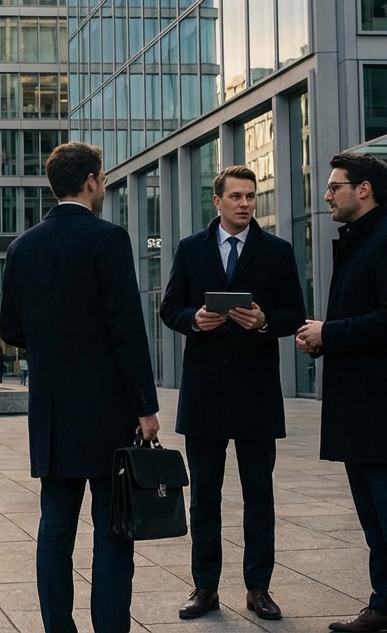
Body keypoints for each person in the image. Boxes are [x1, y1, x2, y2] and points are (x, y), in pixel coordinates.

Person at [0, 142, 160, 633]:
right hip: (108, 412)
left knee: (55, 532)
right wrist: (146, 407)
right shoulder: (108, 239)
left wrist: (51, 345)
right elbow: (127, 330)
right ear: (91, 180)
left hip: (51, 411)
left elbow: (10, 331)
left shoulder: (22, 246)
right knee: (113, 533)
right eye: (104, 177)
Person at [295, 154, 387, 633]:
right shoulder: (360, 240)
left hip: (385, 409)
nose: (328, 195)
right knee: (374, 520)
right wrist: (322, 337)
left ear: (366, 190)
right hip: (360, 408)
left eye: (336, 186)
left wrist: (328, 333)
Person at [159, 165, 305, 621]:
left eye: (251, 196)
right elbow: (170, 307)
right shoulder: (189, 249)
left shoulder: (277, 251)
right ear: (217, 201)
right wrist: (193, 321)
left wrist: (264, 322)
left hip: (256, 391)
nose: (245, 204)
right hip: (205, 391)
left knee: (258, 494)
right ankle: (205, 587)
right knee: (205, 496)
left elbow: (294, 313)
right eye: (236, 196)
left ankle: (258, 588)